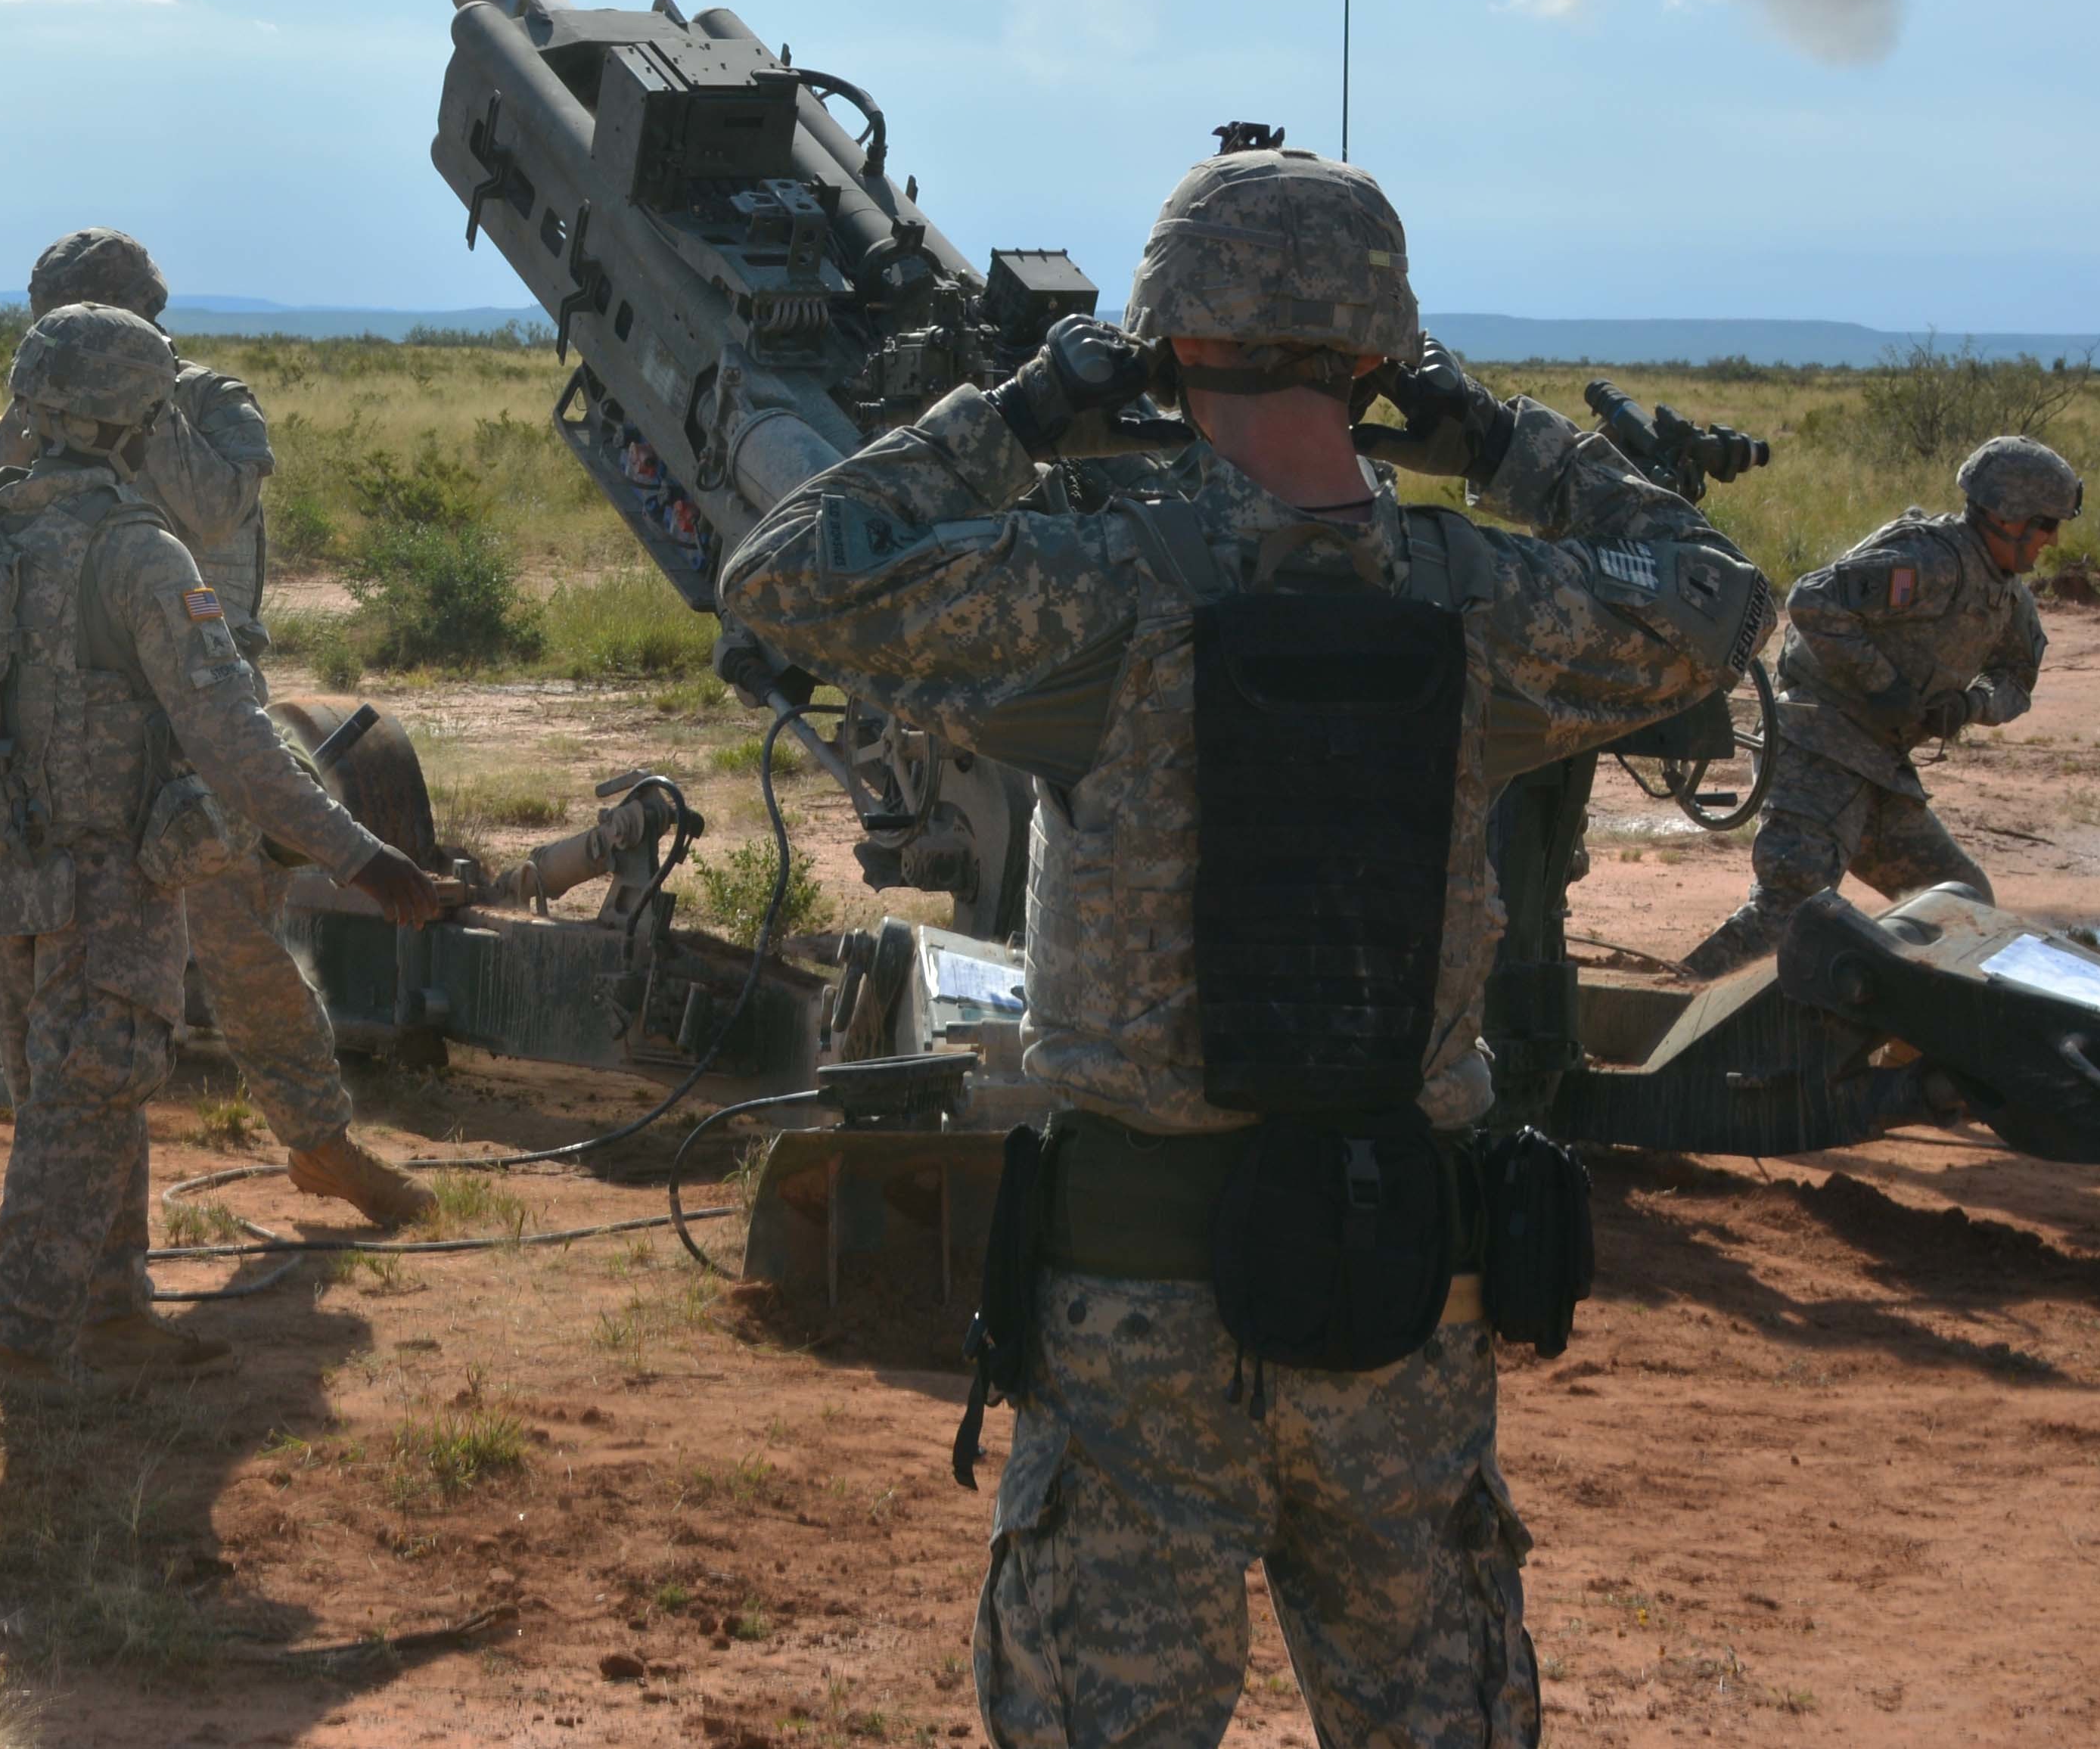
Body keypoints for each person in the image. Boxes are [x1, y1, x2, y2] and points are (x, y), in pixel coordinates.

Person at [718, 139, 1770, 1749]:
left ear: (1165, 340)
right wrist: (1502, 439)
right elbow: (1712, 590)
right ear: (1377, 358)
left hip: (1136, 1304)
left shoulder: (1090, 588)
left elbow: (789, 572)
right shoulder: (1487, 600)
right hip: (1403, 1295)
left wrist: (1013, 416)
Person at [0, 305, 455, 1396]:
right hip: (108, 876)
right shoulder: (138, 554)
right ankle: (22, 1347)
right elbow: (236, 741)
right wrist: (363, 857)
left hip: (8, 870)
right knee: (85, 1109)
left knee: (81, 1092)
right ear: (138, 420)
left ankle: (115, 1310)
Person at [1680, 433, 2080, 979]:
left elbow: (2016, 679)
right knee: (1787, 912)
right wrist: (1884, 685)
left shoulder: (2007, 596)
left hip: (1882, 773)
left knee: (1964, 910)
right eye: (2049, 524)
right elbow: (1811, 600)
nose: (2052, 542)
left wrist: (1970, 705)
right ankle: (1671, 1007)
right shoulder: (1930, 561)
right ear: (2011, 517)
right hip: (1815, 747)